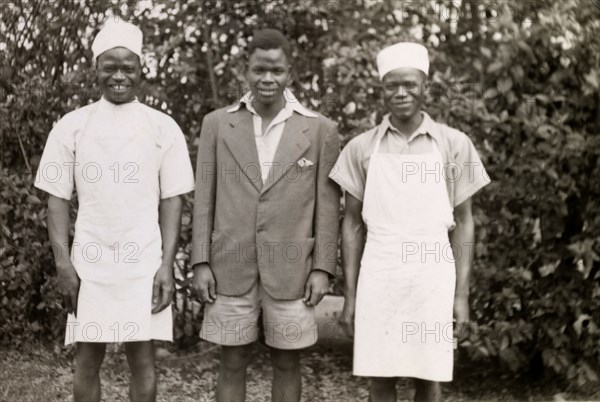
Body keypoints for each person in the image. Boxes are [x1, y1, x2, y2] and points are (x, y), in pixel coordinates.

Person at [34, 20, 195, 402]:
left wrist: (165, 266)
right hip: (90, 259)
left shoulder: (162, 127)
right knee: (88, 356)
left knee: (142, 357)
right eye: (110, 66)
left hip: (144, 259)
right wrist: (63, 264)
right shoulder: (71, 126)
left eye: (128, 67)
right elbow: (55, 199)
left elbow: (172, 199)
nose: (119, 75)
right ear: (96, 68)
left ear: (142, 69)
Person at [331, 42, 490, 402]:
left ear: (424, 86)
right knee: (380, 376)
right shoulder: (361, 147)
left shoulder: (453, 144)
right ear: (382, 89)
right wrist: (351, 295)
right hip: (380, 270)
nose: (400, 93)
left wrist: (461, 295)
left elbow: (464, 223)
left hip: (432, 275)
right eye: (391, 85)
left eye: (409, 84)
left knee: (428, 377)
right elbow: (352, 225)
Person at [191, 28, 340, 402]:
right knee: (232, 361)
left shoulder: (320, 130)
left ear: (290, 72)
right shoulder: (217, 124)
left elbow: (327, 207)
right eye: (259, 70)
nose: (267, 79)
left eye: (276, 70)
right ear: (246, 70)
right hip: (230, 265)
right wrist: (200, 262)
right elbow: (204, 199)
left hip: (292, 269)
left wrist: (322, 268)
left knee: (287, 363)